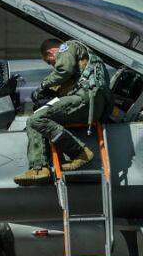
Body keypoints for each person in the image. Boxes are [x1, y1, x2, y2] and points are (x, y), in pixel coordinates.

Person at [14, 38, 110, 186]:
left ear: (50, 53)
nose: (53, 65)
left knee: (35, 119)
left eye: (50, 62)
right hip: (92, 104)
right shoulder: (84, 59)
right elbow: (69, 81)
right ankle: (39, 168)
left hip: (84, 100)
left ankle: (78, 153)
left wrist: (43, 85)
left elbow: (64, 70)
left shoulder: (68, 46)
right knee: (36, 119)